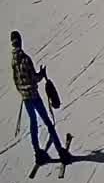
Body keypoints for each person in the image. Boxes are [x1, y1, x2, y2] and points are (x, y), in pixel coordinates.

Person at [11, 31, 72, 167]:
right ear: (20, 42)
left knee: (33, 123)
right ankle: (61, 152)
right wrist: (41, 75)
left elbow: (16, 80)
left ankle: (38, 153)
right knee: (48, 123)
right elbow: (34, 78)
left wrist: (23, 91)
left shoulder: (13, 62)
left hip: (25, 98)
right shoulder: (25, 59)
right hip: (34, 96)